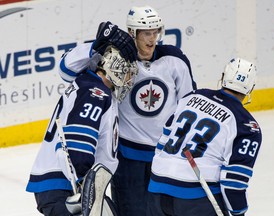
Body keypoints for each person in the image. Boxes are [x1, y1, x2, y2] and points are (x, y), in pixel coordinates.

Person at [58, 5, 197, 216]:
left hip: (163, 156)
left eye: (155, 32)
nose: (152, 39)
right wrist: (97, 44)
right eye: (146, 33)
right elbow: (65, 69)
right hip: (126, 157)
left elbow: (188, 105)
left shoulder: (174, 59)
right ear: (132, 33)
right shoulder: (116, 58)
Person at [26, 44, 138, 216]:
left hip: (66, 184)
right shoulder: (95, 92)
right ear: (115, 68)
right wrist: (84, 188)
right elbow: (78, 147)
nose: (129, 79)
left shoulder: (92, 86)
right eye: (128, 72)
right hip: (63, 184)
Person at [147, 58, 262, 216]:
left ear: (223, 77)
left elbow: (161, 144)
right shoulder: (247, 125)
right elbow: (233, 183)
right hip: (195, 197)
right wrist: (238, 212)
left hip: (157, 188)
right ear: (251, 88)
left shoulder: (192, 97)